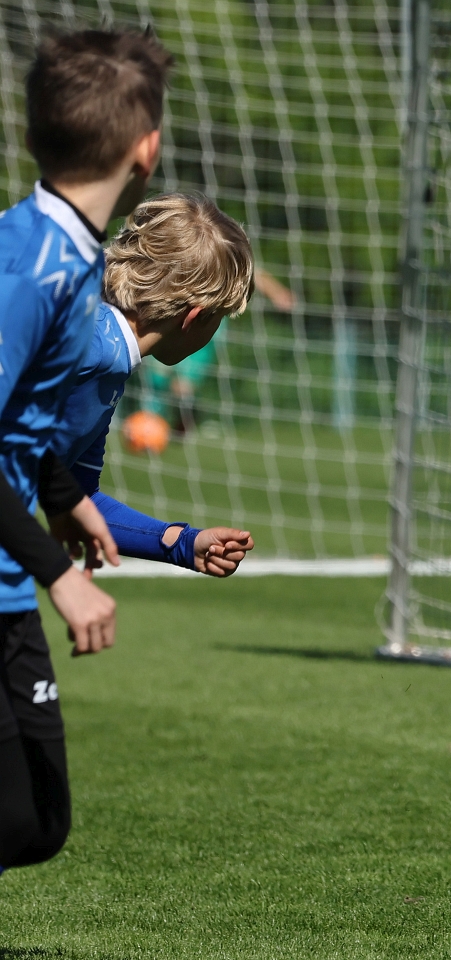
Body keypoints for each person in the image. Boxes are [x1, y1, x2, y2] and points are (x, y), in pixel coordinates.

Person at [0, 27, 172, 877]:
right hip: (14, 574)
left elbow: (20, 428)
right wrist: (60, 575)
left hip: (6, 577)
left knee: (35, 823)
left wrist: (70, 503)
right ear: (148, 149)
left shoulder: (76, 260)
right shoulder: (30, 266)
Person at [51, 193, 256, 575]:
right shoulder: (90, 346)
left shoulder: (109, 354)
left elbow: (77, 497)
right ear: (195, 318)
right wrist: (53, 574)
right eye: (221, 318)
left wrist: (181, 543)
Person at [139, 265, 294, 436]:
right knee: (157, 379)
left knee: (183, 385)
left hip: (205, 323)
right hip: (172, 316)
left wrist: (276, 293)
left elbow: (249, 270)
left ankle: (181, 422)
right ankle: (150, 426)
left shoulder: (222, 256)